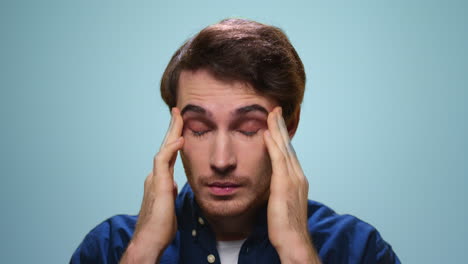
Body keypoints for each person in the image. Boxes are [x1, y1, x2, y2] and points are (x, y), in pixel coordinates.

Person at [71, 18, 401, 264]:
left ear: (291, 123)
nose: (221, 159)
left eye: (247, 128)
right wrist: (143, 250)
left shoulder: (357, 250)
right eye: (199, 128)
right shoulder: (109, 248)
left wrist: (295, 248)